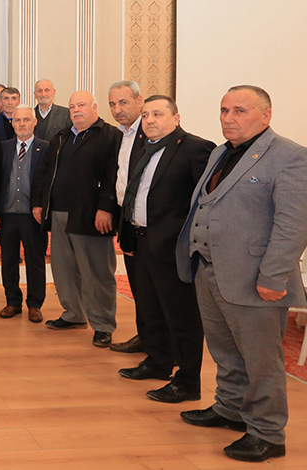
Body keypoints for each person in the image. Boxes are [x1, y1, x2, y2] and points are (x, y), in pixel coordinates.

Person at [177, 85, 307, 463]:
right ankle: (230, 408)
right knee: (224, 349)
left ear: (266, 115)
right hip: (210, 269)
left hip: (255, 278)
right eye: (224, 110)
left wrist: (273, 277)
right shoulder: (221, 152)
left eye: (240, 111)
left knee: (261, 360)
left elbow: (293, 225)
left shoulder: (291, 156)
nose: (228, 118)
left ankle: (267, 432)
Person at [115, 95, 214, 403]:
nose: (150, 120)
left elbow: (205, 203)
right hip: (141, 241)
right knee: (150, 307)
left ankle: (187, 381)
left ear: (176, 117)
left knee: (181, 315)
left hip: (173, 247)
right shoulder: (146, 148)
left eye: (157, 114)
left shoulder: (196, 149)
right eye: (146, 115)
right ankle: (158, 362)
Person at [31, 90, 120, 348]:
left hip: (91, 215)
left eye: (81, 105)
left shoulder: (110, 136)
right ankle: (73, 314)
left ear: (94, 107)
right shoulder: (61, 137)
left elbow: (114, 176)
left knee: (97, 272)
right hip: (58, 214)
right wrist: (39, 203)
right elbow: (44, 172)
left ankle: (103, 325)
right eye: (72, 106)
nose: (76, 110)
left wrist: (106, 208)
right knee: (64, 269)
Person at [0, 105, 48, 322]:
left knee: (35, 261)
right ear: (12, 123)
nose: (22, 124)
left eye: (26, 120)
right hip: (7, 215)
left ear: (34, 122)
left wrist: (41, 206)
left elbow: (48, 183)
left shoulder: (45, 148)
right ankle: (12, 301)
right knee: (8, 260)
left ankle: (35, 304)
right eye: (17, 120)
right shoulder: (4, 148)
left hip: (32, 216)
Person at [108, 80, 148, 354]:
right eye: (113, 104)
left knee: (150, 287)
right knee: (138, 285)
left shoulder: (149, 134)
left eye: (123, 102)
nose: (117, 110)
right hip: (128, 220)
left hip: (149, 224)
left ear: (139, 101)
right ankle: (144, 335)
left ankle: (157, 343)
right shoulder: (121, 135)